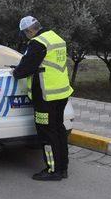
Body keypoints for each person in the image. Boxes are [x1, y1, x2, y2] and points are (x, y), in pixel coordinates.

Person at [13, 16, 73, 181]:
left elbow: (26, 66)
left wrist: (15, 72)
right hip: (61, 94)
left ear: (29, 30)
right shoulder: (56, 37)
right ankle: (63, 167)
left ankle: (53, 170)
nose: (26, 36)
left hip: (45, 96)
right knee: (59, 130)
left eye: (25, 33)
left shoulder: (38, 42)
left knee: (46, 133)